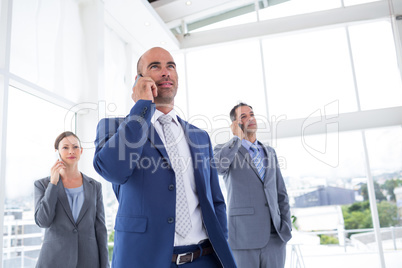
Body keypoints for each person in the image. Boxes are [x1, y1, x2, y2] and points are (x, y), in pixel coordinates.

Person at [93, 47, 236, 267]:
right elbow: (114, 170)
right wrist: (142, 107)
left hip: (204, 258)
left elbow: (215, 199)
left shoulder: (200, 136)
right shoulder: (114, 127)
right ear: (139, 80)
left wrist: (221, 241)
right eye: (155, 67)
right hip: (146, 260)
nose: (165, 72)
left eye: (170, 66)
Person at [213, 103, 292, 268]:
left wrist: (286, 227)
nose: (251, 119)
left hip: (275, 238)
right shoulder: (225, 150)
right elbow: (218, 168)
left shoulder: (270, 152)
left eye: (252, 114)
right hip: (243, 238)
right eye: (243, 116)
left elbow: (280, 193)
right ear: (235, 124)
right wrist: (236, 139)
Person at [34, 131, 109, 268]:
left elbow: (100, 229)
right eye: (65, 147)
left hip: (89, 261)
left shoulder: (95, 186)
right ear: (57, 152)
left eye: (75, 147)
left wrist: (105, 265)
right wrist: (53, 183)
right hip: (54, 260)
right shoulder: (42, 185)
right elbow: (43, 221)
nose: (71, 151)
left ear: (81, 151)